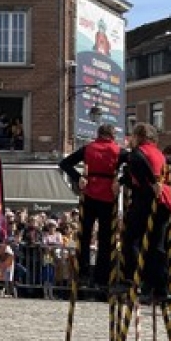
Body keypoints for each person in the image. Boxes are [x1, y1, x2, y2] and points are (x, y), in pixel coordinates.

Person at [58, 122, 122, 288]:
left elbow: (64, 163)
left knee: (85, 235)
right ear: (112, 136)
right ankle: (102, 277)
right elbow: (135, 165)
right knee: (106, 238)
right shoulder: (118, 151)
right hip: (108, 195)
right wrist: (120, 181)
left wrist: (78, 177)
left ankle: (83, 273)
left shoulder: (88, 148)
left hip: (89, 193)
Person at [120, 123, 171, 299]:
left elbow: (137, 160)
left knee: (132, 239)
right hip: (164, 199)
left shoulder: (139, 152)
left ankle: (134, 277)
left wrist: (151, 183)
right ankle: (160, 286)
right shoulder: (159, 153)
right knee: (156, 245)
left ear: (138, 136)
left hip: (147, 197)